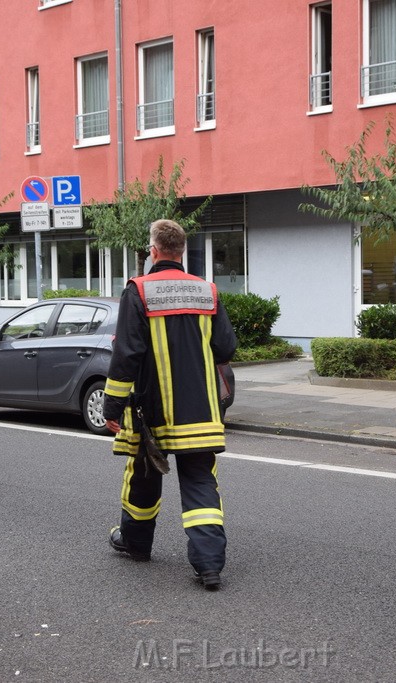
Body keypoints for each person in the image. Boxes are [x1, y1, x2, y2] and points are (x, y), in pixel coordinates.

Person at [103, 219, 238, 591]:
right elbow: (226, 349)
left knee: (144, 474)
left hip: (153, 409)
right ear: (181, 251)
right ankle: (209, 565)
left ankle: (136, 543)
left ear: (154, 250)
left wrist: (111, 407)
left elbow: (127, 354)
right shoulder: (207, 291)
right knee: (200, 482)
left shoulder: (139, 291)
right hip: (202, 409)